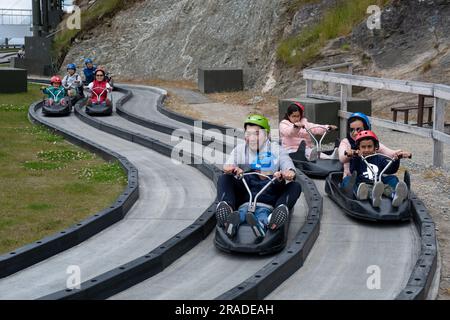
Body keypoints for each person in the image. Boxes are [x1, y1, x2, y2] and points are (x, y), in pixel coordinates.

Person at [216, 114, 302, 240]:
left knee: (295, 186)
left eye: (256, 134)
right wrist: (232, 169)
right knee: (224, 178)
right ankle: (227, 211)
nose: (251, 138)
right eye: (248, 134)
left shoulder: (276, 150)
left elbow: (287, 164)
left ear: (266, 134)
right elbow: (227, 166)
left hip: (270, 192)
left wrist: (288, 172)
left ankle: (276, 214)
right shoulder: (240, 149)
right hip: (245, 192)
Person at [341, 130, 411, 208]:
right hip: (362, 184)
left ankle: (395, 195)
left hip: (379, 184)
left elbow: (391, 170)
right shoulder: (358, 159)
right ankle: (369, 196)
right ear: (358, 148)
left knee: (392, 179)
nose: (366, 150)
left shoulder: (379, 158)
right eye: (363, 147)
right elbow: (353, 170)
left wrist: (397, 159)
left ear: (375, 147)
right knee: (348, 179)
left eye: (369, 146)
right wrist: (354, 156)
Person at [338, 112, 412, 177]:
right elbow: (342, 157)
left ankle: (394, 190)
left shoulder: (371, 141)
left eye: (359, 129)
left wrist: (398, 154)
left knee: (391, 179)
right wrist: (351, 153)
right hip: (353, 176)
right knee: (350, 181)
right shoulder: (346, 142)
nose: (355, 133)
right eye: (352, 130)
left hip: (374, 177)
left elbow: (389, 153)